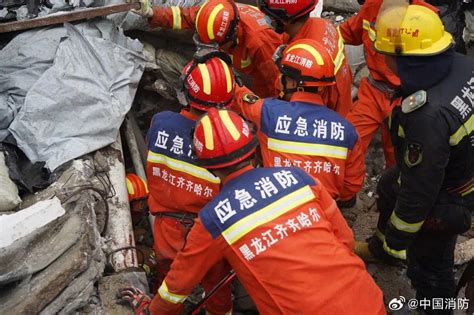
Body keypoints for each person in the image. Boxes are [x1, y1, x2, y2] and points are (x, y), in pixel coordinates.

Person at [120, 108, 386, 314]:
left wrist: (151, 310)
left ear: (208, 166)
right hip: (366, 297)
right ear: (252, 147)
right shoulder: (298, 178)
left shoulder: (215, 218)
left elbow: (177, 287)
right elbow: (346, 241)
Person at [366, 4, 473, 313]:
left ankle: (435, 305)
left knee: (430, 264)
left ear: (407, 60)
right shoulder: (463, 65)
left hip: (452, 193)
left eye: (389, 55)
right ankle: (381, 250)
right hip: (457, 161)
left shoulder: (427, 116)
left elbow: (420, 190)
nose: (384, 60)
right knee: (388, 184)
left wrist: (400, 240)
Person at [143, 53, 237, 315]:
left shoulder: (160, 122)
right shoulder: (230, 139)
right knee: (218, 286)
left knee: (170, 284)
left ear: (186, 90)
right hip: (210, 230)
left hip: (166, 225)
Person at [231, 38, 365, 205]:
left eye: (283, 77)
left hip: (278, 212)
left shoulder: (268, 112)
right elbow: (351, 187)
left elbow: (238, 97)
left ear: (294, 83)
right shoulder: (347, 131)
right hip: (323, 213)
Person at [339, 0, 439, 169]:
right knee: (346, 142)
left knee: (401, 157)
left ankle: (394, 187)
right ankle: (343, 189)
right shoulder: (373, 7)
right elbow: (344, 33)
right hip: (374, 90)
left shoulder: (426, 16)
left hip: (408, 97)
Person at [134, 0, 284, 98]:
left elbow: (274, 83)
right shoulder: (213, 15)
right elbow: (183, 16)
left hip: (256, 78)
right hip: (241, 60)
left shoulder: (261, 43)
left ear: (231, 36)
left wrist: (255, 108)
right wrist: (152, 13)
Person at [257, 0, 353, 117]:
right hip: (341, 102)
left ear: (285, 20)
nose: (266, 18)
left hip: (323, 117)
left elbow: (299, 107)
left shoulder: (305, 59)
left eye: (269, 15)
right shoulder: (321, 24)